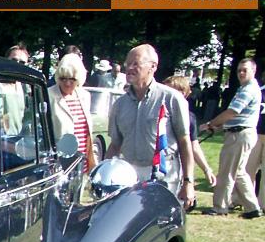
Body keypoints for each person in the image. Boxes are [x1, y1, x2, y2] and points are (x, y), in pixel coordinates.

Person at [105, 43, 196, 212]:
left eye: (135, 64)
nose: (129, 68)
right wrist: (103, 172)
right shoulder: (119, 105)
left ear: (153, 66)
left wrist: (188, 182)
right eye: (127, 64)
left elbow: (185, 142)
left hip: (164, 175)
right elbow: (115, 144)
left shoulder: (171, 98)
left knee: (161, 227)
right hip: (129, 176)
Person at [200, 58, 261, 218]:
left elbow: (233, 112)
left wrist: (211, 123)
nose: (241, 73)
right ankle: (252, 208)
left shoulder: (248, 89)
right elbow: (235, 116)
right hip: (241, 133)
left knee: (227, 172)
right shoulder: (246, 88)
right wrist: (220, 127)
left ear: (253, 71)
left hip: (239, 135)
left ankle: (220, 207)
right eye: (239, 70)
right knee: (239, 172)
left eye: (244, 70)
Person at [164, 75, 216, 208]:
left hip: (174, 166)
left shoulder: (188, 118)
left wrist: (206, 169)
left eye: (177, 92)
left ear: (185, 94)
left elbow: (193, 146)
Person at [48, 53, 96, 170]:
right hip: (60, 164)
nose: (67, 83)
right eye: (63, 78)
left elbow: (87, 133)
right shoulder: (48, 95)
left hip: (83, 162)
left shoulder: (85, 96)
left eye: (72, 79)